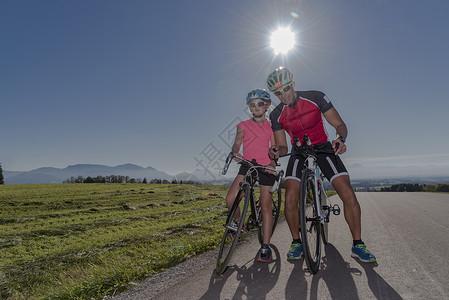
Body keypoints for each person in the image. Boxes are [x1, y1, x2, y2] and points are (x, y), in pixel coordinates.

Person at [266, 67, 376, 263]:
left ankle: (358, 244)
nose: (283, 95)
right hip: (298, 152)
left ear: (293, 84)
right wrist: (276, 151)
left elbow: (339, 124)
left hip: (324, 147)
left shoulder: (316, 97)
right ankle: (296, 242)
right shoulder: (275, 115)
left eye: (286, 89)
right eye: (278, 93)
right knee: (291, 196)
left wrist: (340, 139)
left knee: (347, 191)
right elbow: (282, 147)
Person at [225, 88, 277, 262]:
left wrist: (272, 163)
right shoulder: (243, 126)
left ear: (267, 105)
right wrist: (235, 153)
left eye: (259, 104)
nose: (256, 107)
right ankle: (239, 224)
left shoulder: (272, 126)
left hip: (266, 167)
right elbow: (236, 145)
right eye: (252, 105)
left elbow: (275, 147)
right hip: (247, 165)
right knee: (231, 199)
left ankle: (266, 246)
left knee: (265, 204)